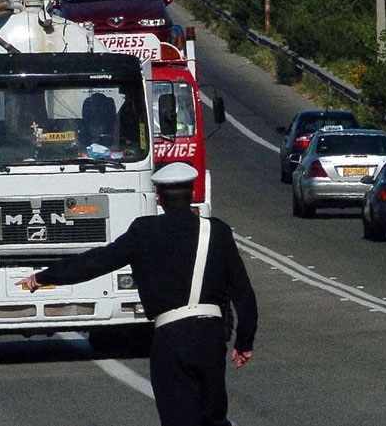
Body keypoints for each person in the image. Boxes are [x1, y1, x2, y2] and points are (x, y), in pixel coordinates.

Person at [16, 162, 258, 426]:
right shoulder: (218, 232)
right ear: (192, 193)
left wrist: (44, 276)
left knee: (178, 418)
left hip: (170, 338)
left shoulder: (144, 231)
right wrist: (245, 341)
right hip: (210, 337)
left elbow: (96, 262)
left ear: (158, 198)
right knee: (213, 416)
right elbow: (243, 291)